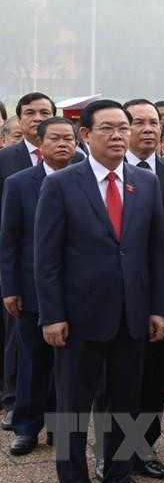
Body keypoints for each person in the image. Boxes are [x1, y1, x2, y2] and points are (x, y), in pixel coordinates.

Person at [35, 99, 164, 483]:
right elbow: (46, 257)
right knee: (73, 409)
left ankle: (118, 478)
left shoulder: (146, 182)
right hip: (78, 317)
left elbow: (155, 251)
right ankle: (73, 481)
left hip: (132, 314)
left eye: (122, 128)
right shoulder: (60, 184)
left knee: (125, 408)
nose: (118, 135)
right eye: (108, 128)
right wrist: (52, 314)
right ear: (86, 135)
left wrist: (159, 308)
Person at [1, 118, 78, 455]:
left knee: (70, 366)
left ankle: (61, 431)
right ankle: (27, 427)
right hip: (32, 287)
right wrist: (10, 286)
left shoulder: (85, 179)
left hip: (77, 288)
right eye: (56, 139)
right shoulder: (19, 183)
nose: (63, 144)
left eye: (69, 139)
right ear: (40, 145)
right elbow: (9, 240)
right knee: (33, 360)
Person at [122, 99, 164, 478]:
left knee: (151, 381)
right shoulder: (86, 175)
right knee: (103, 385)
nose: (149, 129)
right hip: (105, 300)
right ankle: (106, 451)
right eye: (138, 122)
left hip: (160, 298)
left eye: (154, 123)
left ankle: (141, 446)